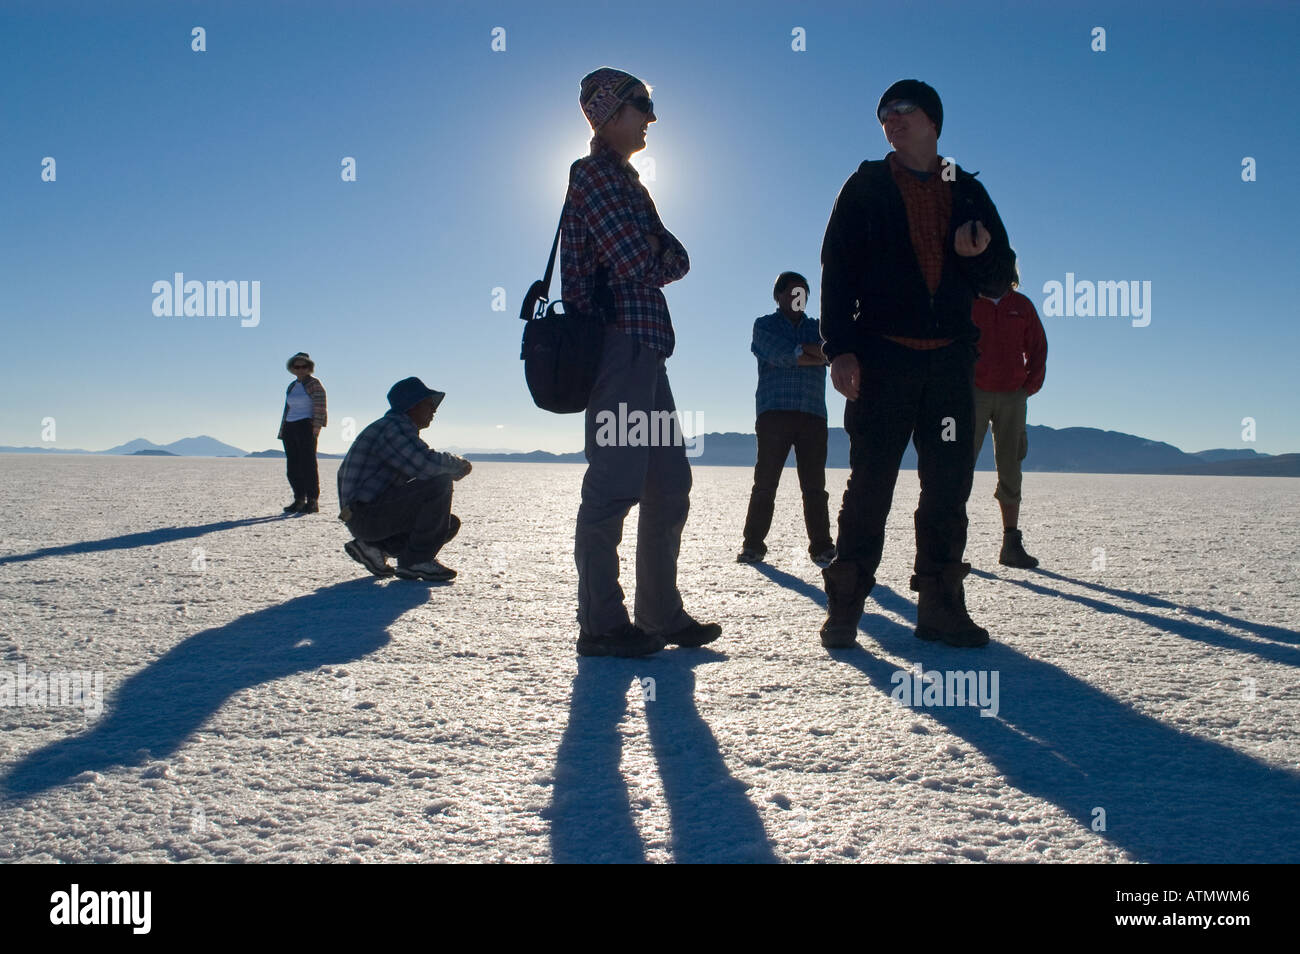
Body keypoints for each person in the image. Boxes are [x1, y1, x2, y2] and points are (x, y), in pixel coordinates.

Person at [818, 79, 1015, 650]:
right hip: (882, 358)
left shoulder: (968, 190)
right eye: (884, 113)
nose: (891, 119)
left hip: (951, 362)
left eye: (903, 110)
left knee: (948, 489)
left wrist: (979, 258)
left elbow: (1000, 279)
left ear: (932, 120)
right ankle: (846, 608)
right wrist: (842, 348)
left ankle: (942, 608)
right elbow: (836, 270)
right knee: (870, 486)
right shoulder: (866, 186)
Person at [563, 66, 721, 657]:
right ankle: (601, 623)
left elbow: (677, 257)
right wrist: (655, 248)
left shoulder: (628, 181)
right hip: (617, 348)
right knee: (615, 487)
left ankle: (659, 615)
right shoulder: (596, 177)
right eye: (640, 106)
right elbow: (641, 260)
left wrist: (657, 249)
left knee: (668, 484)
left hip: (647, 351)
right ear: (609, 115)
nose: (650, 119)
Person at [737, 271, 836, 568]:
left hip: (813, 414)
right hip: (774, 414)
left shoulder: (820, 328)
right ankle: (753, 545)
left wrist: (808, 352)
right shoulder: (764, 325)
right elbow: (779, 354)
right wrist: (811, 353)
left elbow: (831, 353)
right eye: (792, 292)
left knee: (814, 486)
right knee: (765, 483)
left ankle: (822, 547)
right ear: (778, 296)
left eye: (803, 293)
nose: (798, 298)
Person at [336, 377, 471, 582]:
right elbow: (425, 464)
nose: (433, 410)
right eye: (429, 404)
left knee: (447, 524)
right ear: (412, 405)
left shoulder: (394, 427)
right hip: (365, 516)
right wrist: (459, 464)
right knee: (439, 482)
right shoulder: (394, 427)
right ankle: (416, 562)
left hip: (366, 515)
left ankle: (373, 548)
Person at [972, 257, 1047, 568]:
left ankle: (1011, 543)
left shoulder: (1021, 305)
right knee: (958, 466)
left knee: (1011, 466)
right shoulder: (968, 301)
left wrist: (1028, 386)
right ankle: (950, 546)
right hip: (973, 393)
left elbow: (1038, 347)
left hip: (1012, 396)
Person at [277, 352, 326, 513]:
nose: (300, 369)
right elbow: (287, 409)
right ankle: (299, 499)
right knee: (293, 465)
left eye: (303, 366)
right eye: (296, 366)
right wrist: (283, 429)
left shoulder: (314, 384)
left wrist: (316, 427)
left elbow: (320, 405)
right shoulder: (292, 386)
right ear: (292, 368)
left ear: (309, 368)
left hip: (306, 425)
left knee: (308, 464)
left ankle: (312, 501)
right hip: (290, 426)